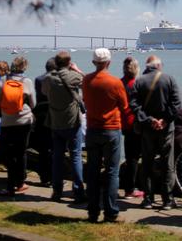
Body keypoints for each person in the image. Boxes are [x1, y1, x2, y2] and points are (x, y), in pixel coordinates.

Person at [82, 48, 130, 223]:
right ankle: (111, 212)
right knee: (111, 172)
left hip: (92, 130)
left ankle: (92, 212)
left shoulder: (86, 80)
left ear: (94, 62)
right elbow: (125, 106)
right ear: (108, 62)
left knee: (93, 173)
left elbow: (86, 101)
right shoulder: (115, 82)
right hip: (111, 130)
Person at [129, 55, 182, 210]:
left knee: (147, 163)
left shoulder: (139, 81)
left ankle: (148, 198)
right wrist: (164, 120)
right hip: (166, 129)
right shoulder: (169, 79)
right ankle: (167, 199)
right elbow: (176, 103)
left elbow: (134, 105)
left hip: (147, 129)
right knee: (167, 163)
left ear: (147, 66)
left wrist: (149, 120)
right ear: (159, 66)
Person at [43, 51, 86, 202]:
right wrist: (77, 69)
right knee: (75, 156)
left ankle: (56, 191)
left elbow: (44, 92)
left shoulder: (48, 78)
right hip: (72, 122)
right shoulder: (73, 76)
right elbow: (88, 81)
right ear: (69, 62)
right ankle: (78, 192)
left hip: (55, 122)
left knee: (57, 157)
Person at [0, 56, 36, 196]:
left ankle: (10, 186)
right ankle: (21, 183)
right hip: (24, 122)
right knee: (21, 152)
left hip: (6, 122)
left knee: (10, 155)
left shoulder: (3, 81)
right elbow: (34, 104)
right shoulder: (27, 82)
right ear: (24, 67)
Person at [120, 56, 143, 199]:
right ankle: (131, 189)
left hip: (122, 123)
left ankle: (129, 187)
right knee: (136, 157)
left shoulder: (119, 83)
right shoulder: (138, 84)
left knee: (130, 157)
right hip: (135, 123)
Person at [31, 57, 55, 187]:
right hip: (53, 114)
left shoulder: (38, 79)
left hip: (40, 114)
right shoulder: (56, 80)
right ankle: (53, 176)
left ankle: (44, 176)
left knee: (43, 149)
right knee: (54, 147)